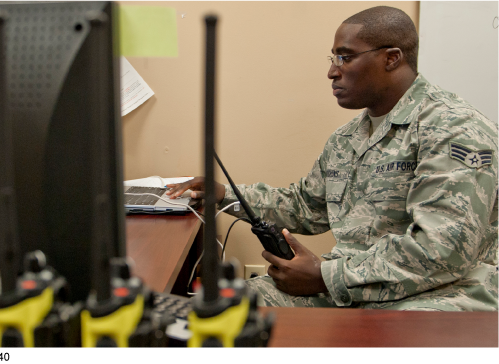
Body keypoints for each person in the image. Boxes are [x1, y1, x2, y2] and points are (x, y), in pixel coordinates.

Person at [166, 6, 499, 311]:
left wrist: (327, 276)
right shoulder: (348, 138)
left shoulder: (454, 128)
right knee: (232, 308)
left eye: (345, 57)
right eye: (333, 58)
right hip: (352, 287)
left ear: (392, 58)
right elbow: (306, 206)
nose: (331, 72)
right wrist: (226, 195)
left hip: (440, 294)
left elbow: (444, 250)